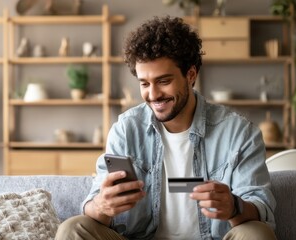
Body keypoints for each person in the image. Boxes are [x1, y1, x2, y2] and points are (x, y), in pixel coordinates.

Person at [55, 16, 276, 240]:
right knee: (72, 229)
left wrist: (234, 207)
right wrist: (101, 206)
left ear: (190, 75)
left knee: (256, 233)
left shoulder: (239, 133)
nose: (153, 95)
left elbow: (262, 209)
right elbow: (94, 207)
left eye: (163, 81)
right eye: (144, 83)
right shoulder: (126, 130)